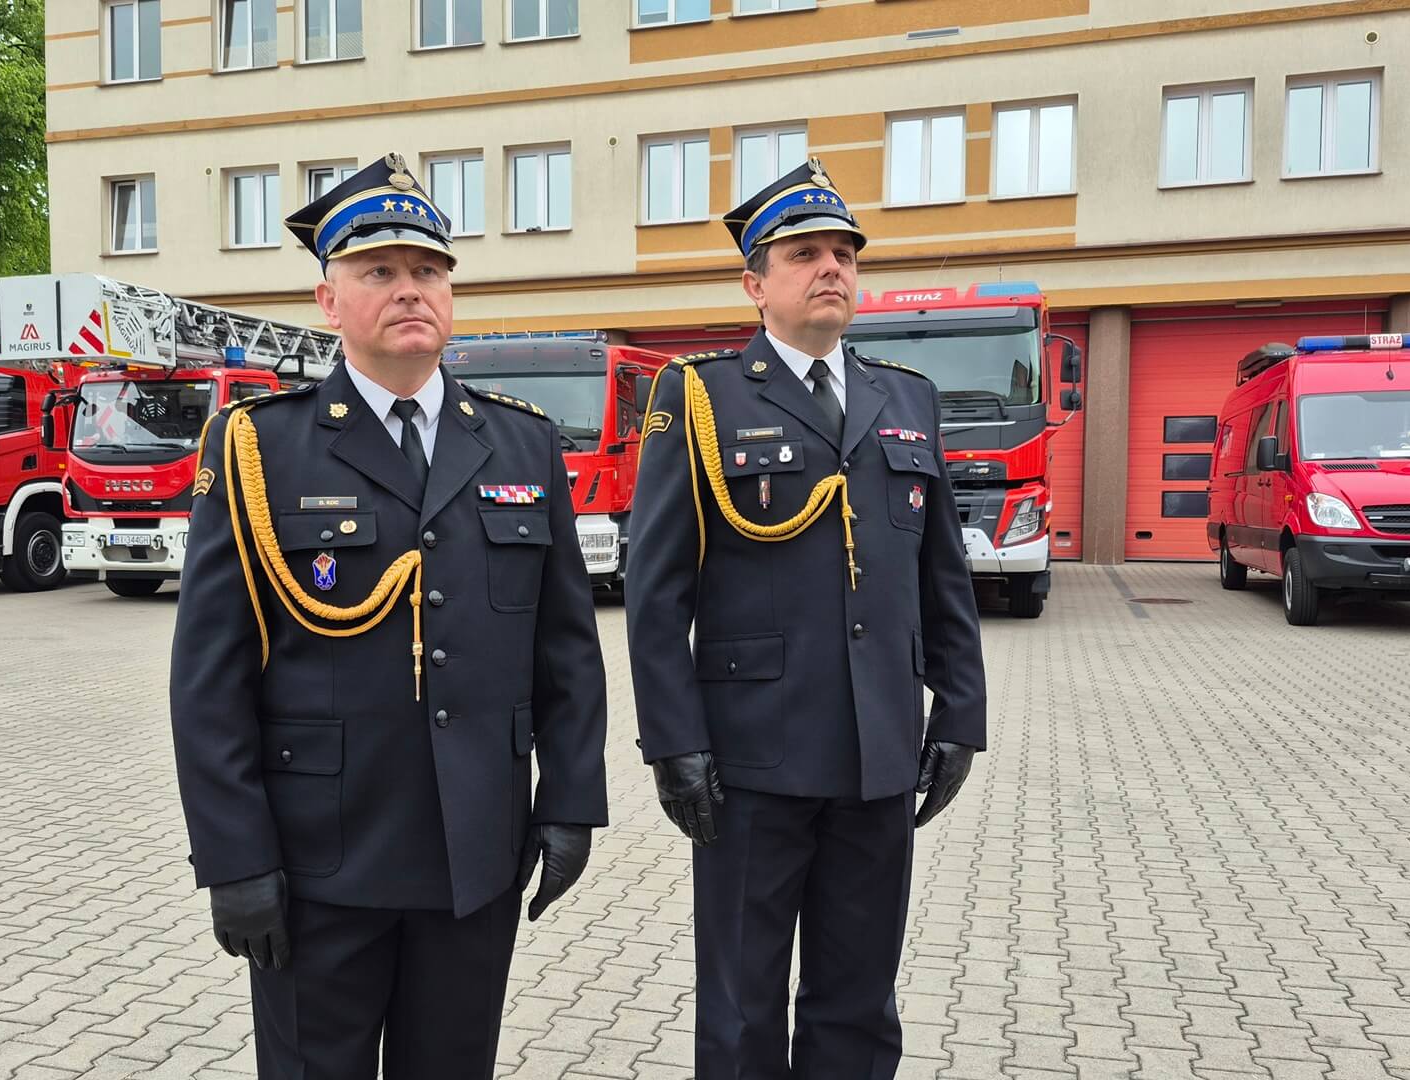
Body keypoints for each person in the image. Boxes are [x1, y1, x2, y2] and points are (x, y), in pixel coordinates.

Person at [169, 152, 609, 1080]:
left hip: (474, 854)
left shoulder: (521, 441)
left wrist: (571, 801)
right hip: (318, 862)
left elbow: (566, 650)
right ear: (328, 301)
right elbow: (209, 679)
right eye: (379, 271)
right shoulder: (260, 447)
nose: (411, 290)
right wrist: (234, 858)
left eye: (429, 270)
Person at [623, 157, 989, 1078]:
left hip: (878, 752)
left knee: (859, 1001)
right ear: (755, 284)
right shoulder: (701, 396)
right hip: (752, 759)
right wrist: (674, 743)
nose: (831, 268)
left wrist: (961, 716)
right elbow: (657, 593)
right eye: (804, 254)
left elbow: (942, 575)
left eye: (843, 254)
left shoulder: (906, 398)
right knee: (742, 1007)